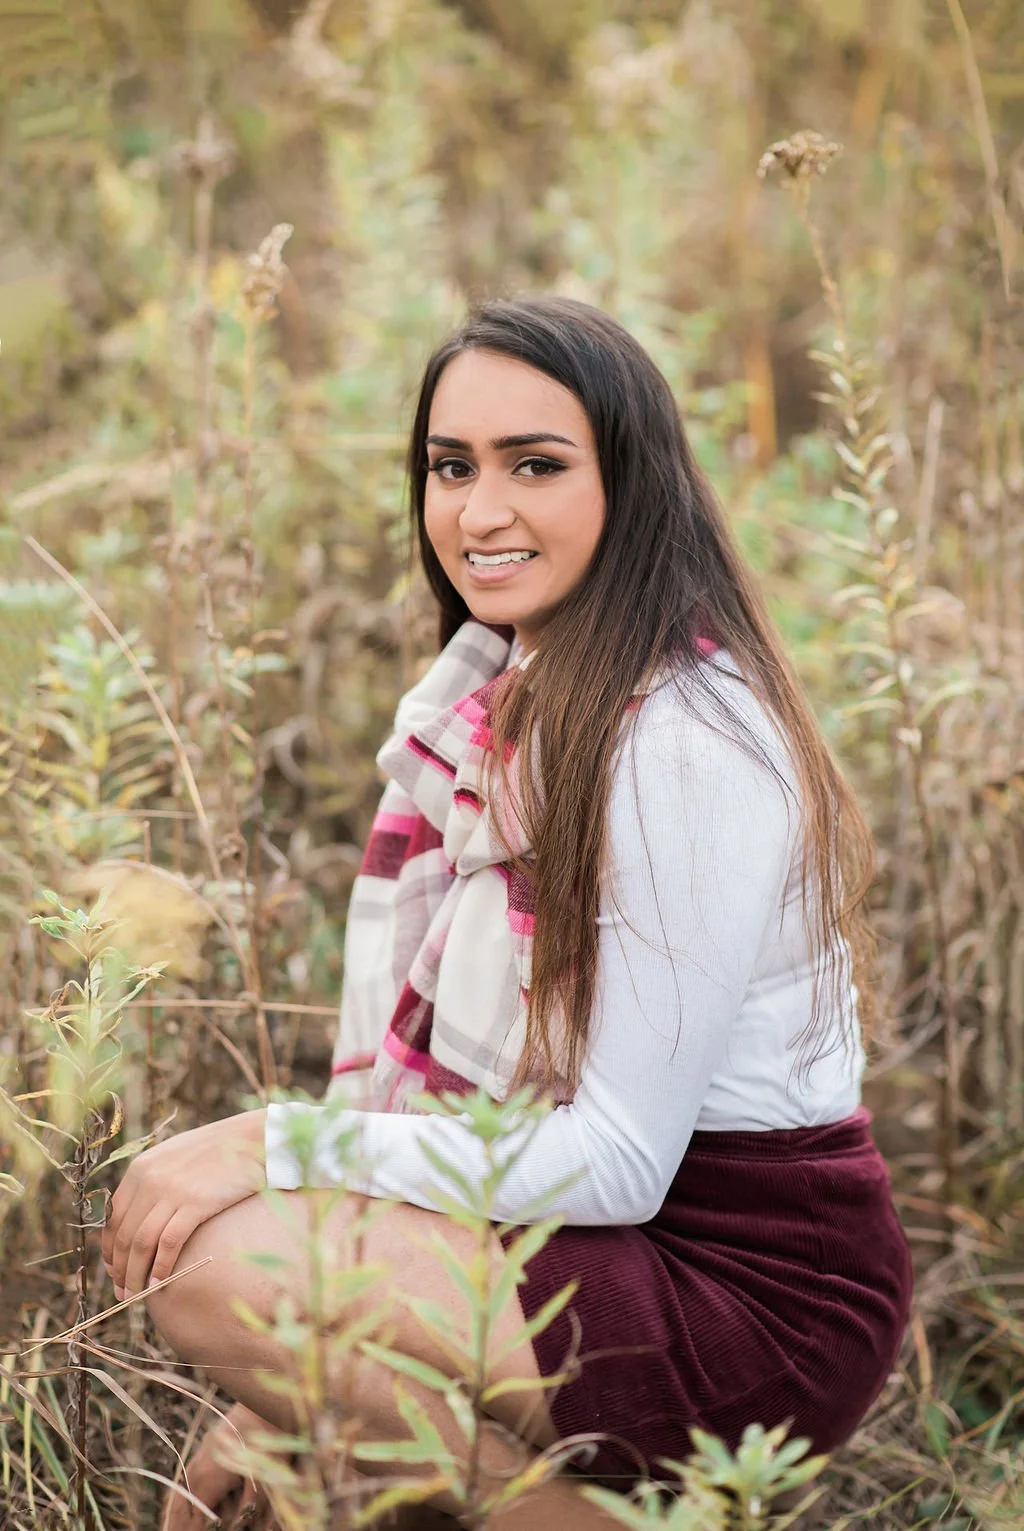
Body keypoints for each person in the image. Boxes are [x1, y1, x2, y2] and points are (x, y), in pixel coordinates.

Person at [102, 296, 913, 1529]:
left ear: (628, 484)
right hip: (600, 1252)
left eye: (536, 464)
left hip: (750, 1296)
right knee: (265, 1469)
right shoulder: (518, 703)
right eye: (450, 467)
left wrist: (279, 1141)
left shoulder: (685, 742)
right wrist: (297, 1404)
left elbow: (623, 1165)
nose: (480, 513)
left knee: (227, 1257)